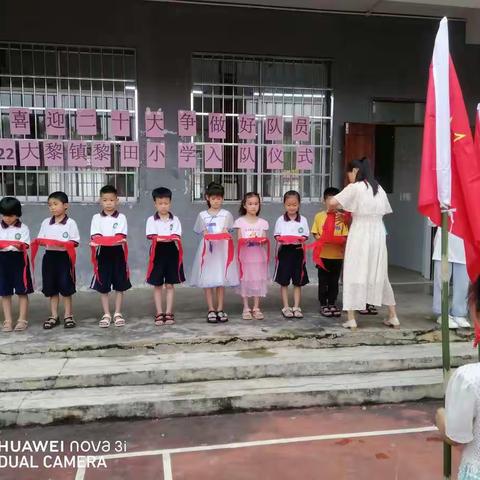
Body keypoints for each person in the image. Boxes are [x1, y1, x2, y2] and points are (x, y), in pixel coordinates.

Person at [327, 157, 400, 330]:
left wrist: (343, 200)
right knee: (379, 273)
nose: (349, 177)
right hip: (378, 233)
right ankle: (393, 316)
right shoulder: (378, 188)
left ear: (354, 172)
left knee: (354, 271)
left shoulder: (355, 187)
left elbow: (332, 202)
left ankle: (351, 318)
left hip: (360, 232)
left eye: (349, 174)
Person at [189, 182, 238, 323]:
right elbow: (202, 231)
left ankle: (220, 308)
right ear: (207, 198)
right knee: (208, 279)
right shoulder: (202, 215)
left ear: (222, 199)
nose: (216, 201)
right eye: (213, 198)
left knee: (221, 279)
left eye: (219, 198)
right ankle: (211, 309)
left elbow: (229, 230)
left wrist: (225, 232)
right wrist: (206, 234)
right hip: (207, 250)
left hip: (222, 249)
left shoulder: (226, 214)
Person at [37, 192, 80, 329]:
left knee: (66, 287)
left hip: (64, 258)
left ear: (65, 205)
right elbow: (40, 240)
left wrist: (63, 244)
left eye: (56, 204)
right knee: (52, 288)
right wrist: (47, 242)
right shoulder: (45, 222)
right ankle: (54, 316)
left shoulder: (71, 223)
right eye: (50, 205)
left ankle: (68, 315)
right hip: (49, 257)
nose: (52, 208)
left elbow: (75, 242)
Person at [90, 185, 131, 328]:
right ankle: (106, 314)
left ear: (117, 201)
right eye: (105, 200)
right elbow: (95, 236)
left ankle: (118, 313)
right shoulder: (96, 218)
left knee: (120, 284)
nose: (108, 203)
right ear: (100, 201)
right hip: (103, 253)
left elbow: (120, 237)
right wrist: (104, 240)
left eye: (111, 200)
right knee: (103, 285)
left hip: (118, 253)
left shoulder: (122, 217)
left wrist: (104, 239)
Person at [146, 187, 185, 326]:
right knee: (157, 285)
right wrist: (165, 238)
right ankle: (159, 312)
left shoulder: (176, 220)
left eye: (166, 203)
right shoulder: (151, 220)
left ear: (170, 203)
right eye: (160, 203)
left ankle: (168, 312)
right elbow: (152, 236)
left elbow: (176, 237)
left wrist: (163, 237)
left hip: (171, 252)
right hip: (157, 252)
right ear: (155, 204)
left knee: (170, 284)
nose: (163, 206)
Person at [311, 187, 349, 318]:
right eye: (329, 200)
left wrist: (339, 240)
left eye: (336, 200)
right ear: (324, 201)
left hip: (337, 255)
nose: (333, 203)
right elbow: (315, 233)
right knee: (323, 281)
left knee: (334, 281)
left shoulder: (342, 217)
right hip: (323, 255)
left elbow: (345, 235)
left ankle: (332, 303)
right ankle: (323, 304)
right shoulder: (319, 216)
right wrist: (322, 240)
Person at [274, 190, 310, 319]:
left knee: (297, 281)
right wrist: (283, 239)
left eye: (294, 204)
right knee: (284, 281)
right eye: (289, 205)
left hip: (298, 252)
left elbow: (305, 236)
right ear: (284, 205)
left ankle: (296, 307)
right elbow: (277, 235)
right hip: (285, 252)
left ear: (299, 204)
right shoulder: (280, 220)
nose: (291, 207)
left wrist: (298, 240)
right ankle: (286, 307)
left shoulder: (303, 220)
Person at [233, 192, 269, 320]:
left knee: (257, 280)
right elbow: (239, 239)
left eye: (256, 204)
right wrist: (247, 240)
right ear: (244, 205)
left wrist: (260, 240)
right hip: (245, 256)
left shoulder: (263, 223)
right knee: (245, 280)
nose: (253, 206)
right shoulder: (239, 222)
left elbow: (264, 240)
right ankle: (246, 307)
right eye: (250, 204)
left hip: (258, 256)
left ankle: (256, 307)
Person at [0, 197, 33, 332]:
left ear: (18, 214)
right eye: (4, 215)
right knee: (4, 292)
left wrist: (12, 245)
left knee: (22, 291)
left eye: (11, 215)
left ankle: (22, 320)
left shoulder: (23, 228)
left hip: (19, 260)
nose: (7, 218)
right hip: (2, 260)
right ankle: (7, 320)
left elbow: (24, 245)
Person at [432, 228, 470, 329]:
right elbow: (432, 218)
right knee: (443, 279)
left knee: (463, 282)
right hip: (444, 242)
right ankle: (442, 313)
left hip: (464, 241)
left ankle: (459, 313)